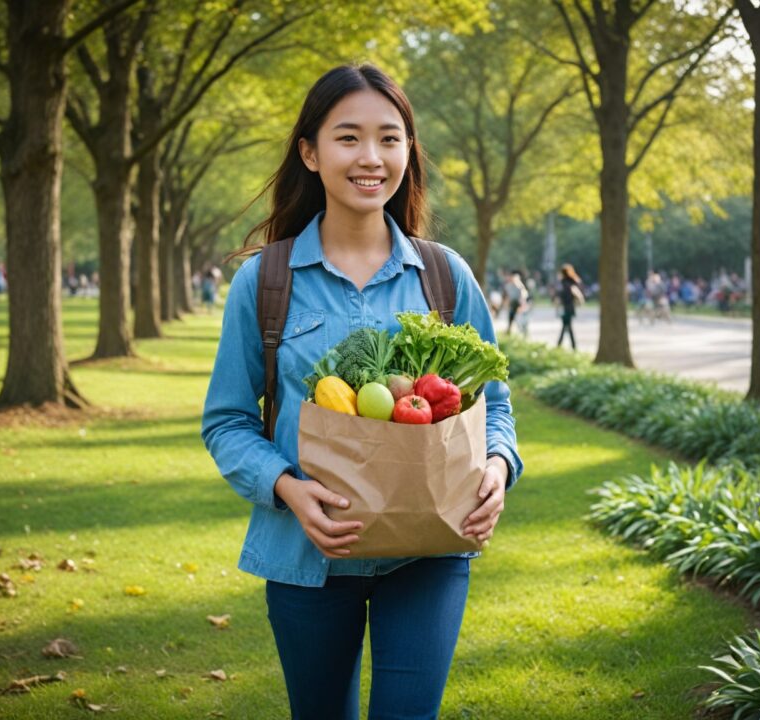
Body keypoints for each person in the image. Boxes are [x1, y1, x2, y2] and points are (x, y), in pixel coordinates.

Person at [200, 64, 523, 720]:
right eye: (348, 138)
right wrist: (288, 488)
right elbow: (228, 421)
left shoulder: (444, 276)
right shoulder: (265, 282)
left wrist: (497, 465)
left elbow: (495, 405)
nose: (371, 157)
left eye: (390, 138)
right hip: (306, 554)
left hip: (428, 549)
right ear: (311, 153)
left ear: (408, 151)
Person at [556, 263, 583, 349]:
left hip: (564, 308)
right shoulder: (571, 283)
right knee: (567, 326)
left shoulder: (563, 284)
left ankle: (561, 345)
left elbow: (559, 297)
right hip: (570, 307)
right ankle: (571, 346)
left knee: (566, 326)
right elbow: (578, 296)